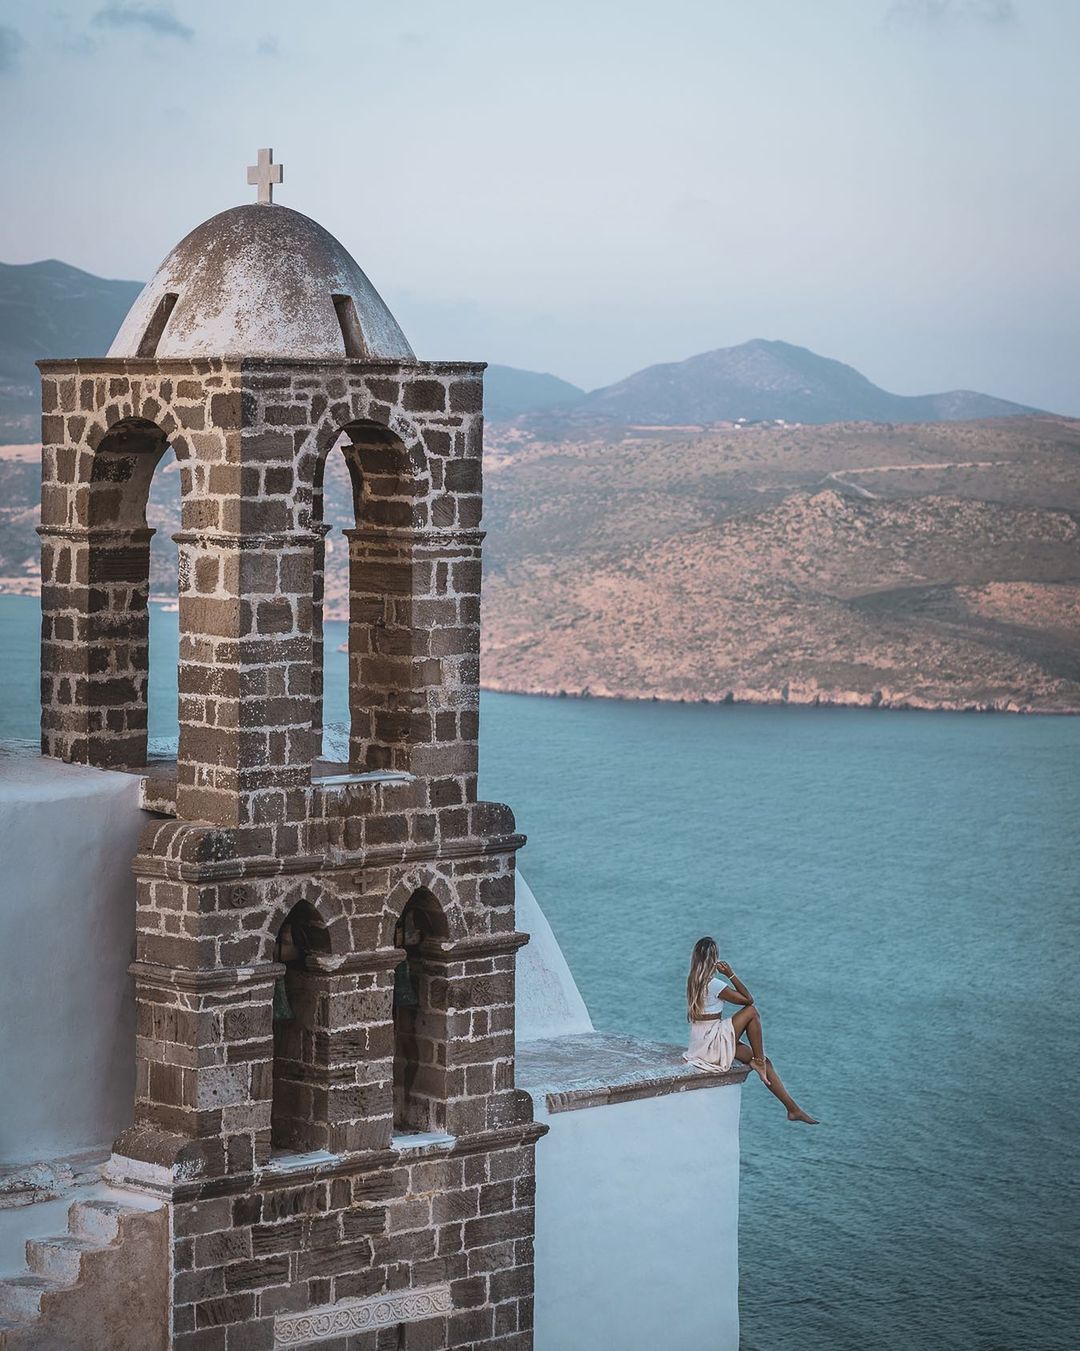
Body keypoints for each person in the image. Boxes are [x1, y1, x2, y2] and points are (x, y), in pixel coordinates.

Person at [683, 935, 818, 1124]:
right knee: (752, 1012)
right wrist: (730, 974)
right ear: (713, 959)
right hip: (712, 1040)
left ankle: (792, 1109)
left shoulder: (693, 981)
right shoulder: (713, 984)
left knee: (763, 1061)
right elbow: (748, 1000)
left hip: (702, 1043)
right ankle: (759, 1062)